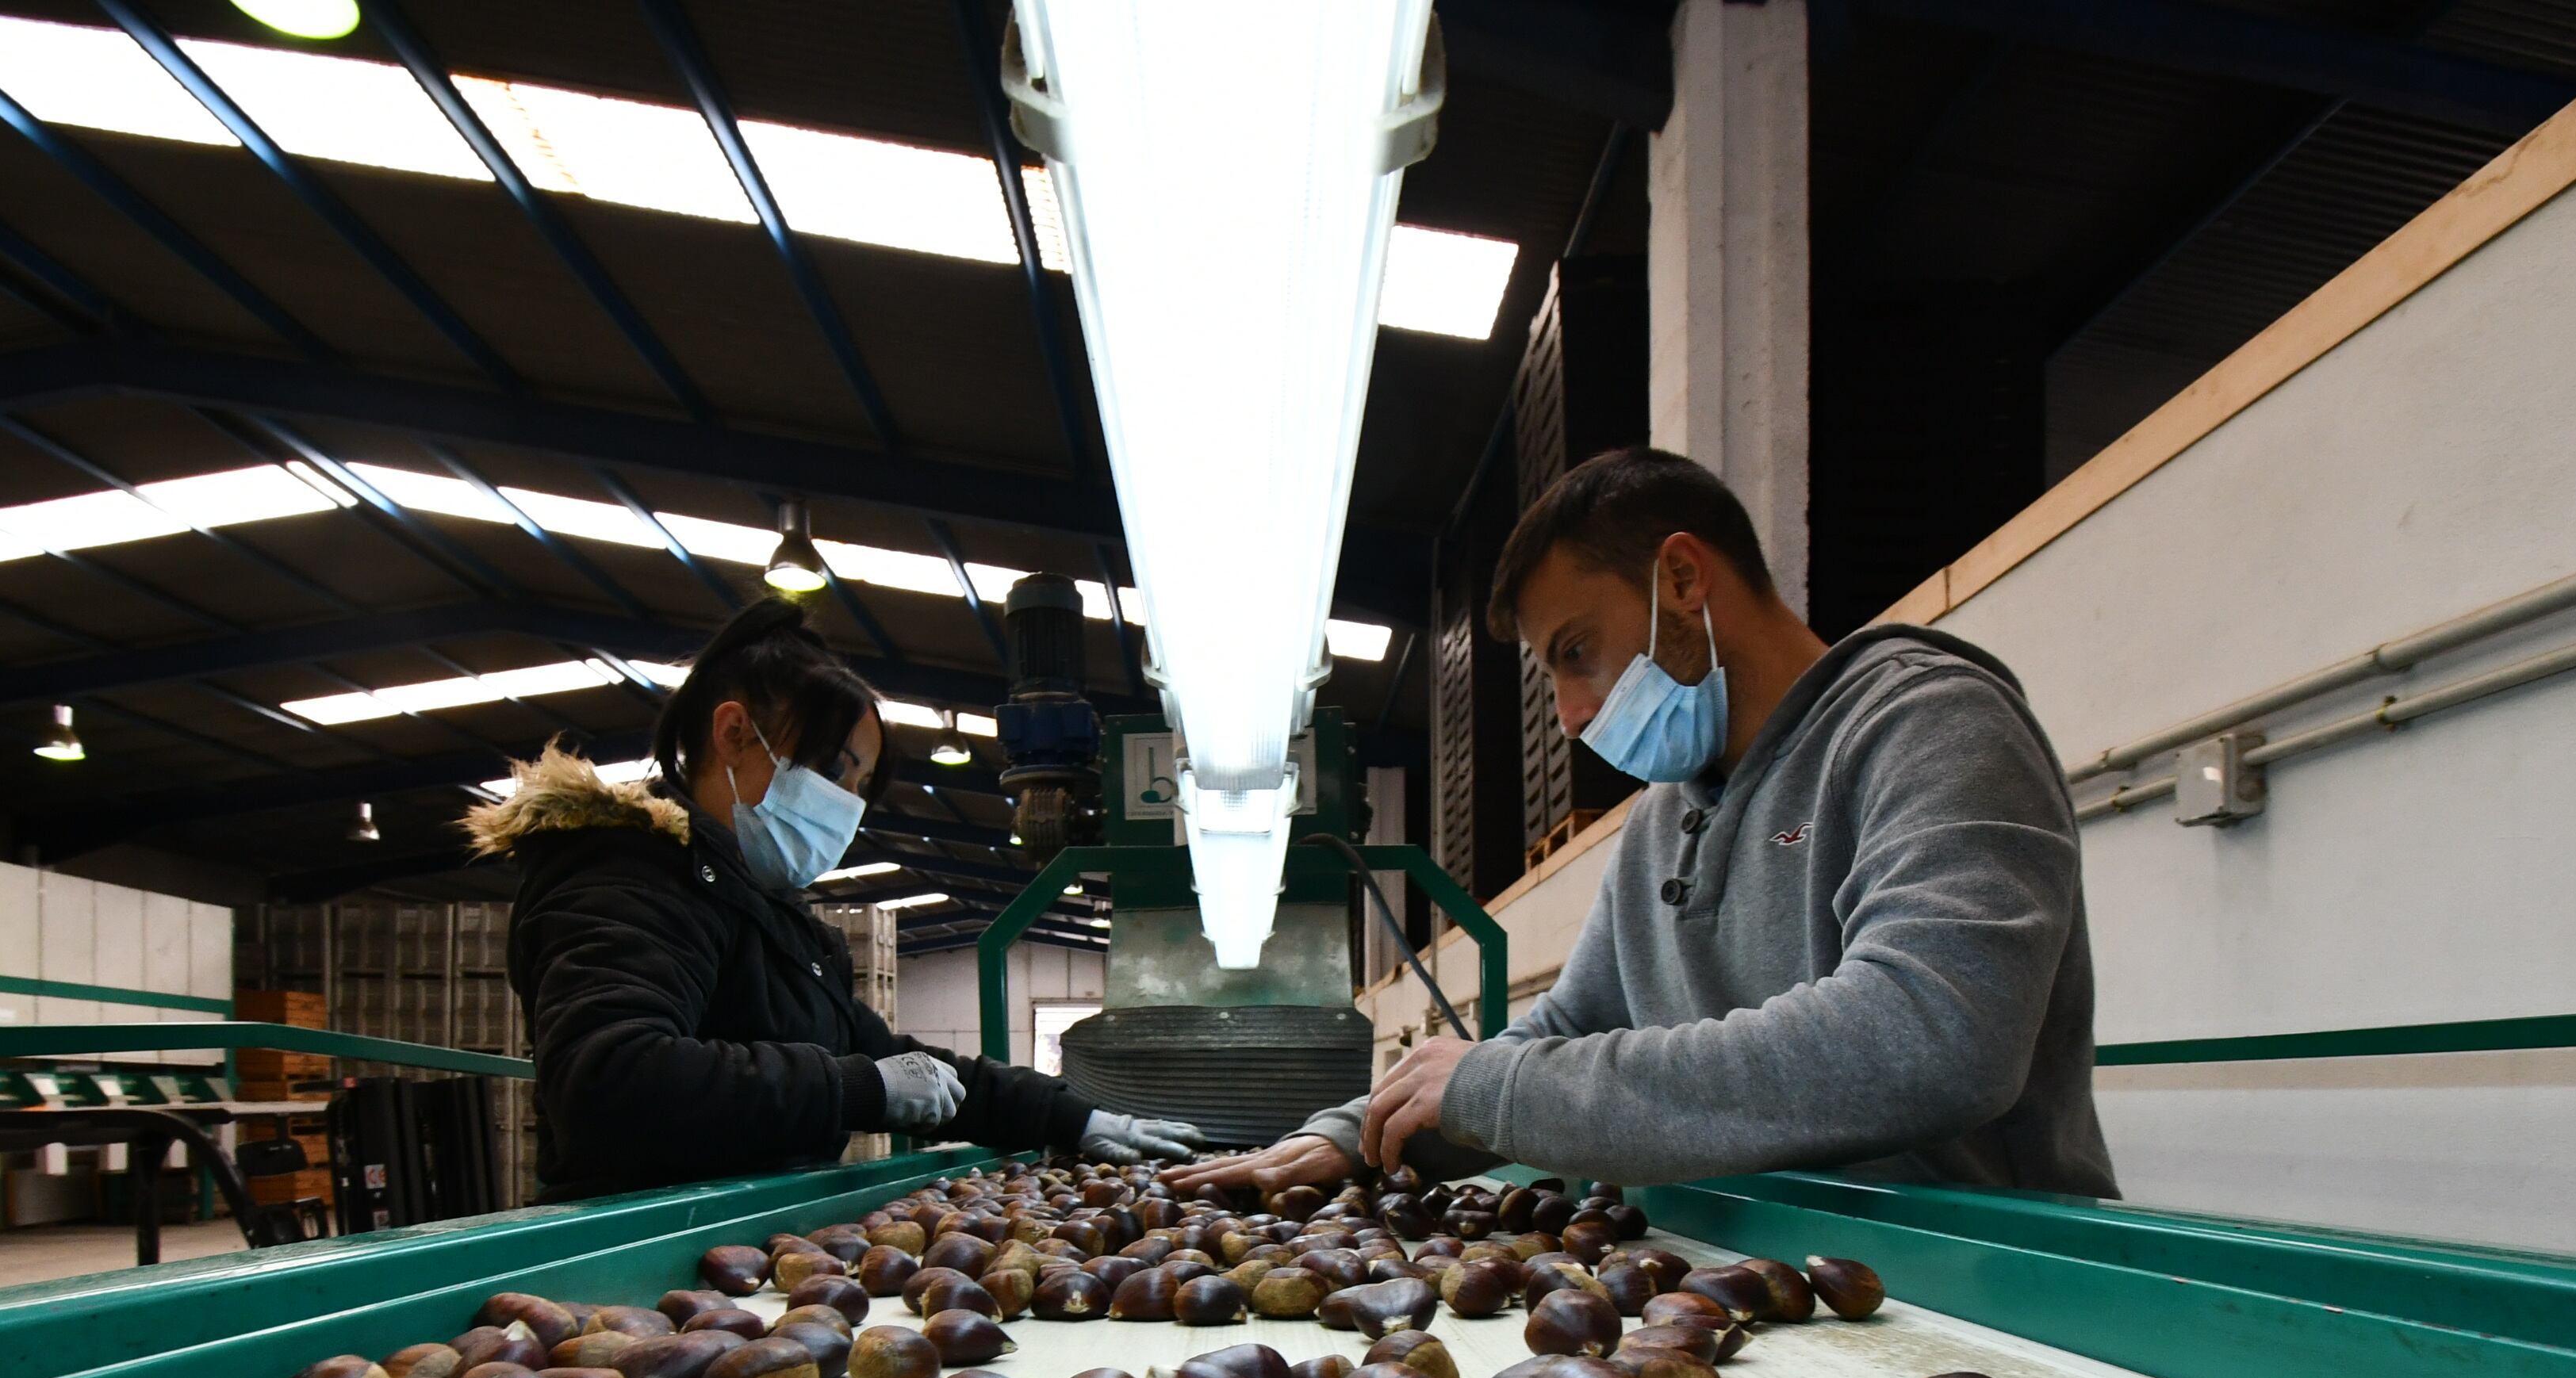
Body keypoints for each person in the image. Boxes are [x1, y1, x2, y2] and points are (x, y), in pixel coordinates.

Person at [1167, 446, 2114, 1200]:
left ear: (1683, 581)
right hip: (1761, 1274)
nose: (1573, 716)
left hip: (1980, 1292)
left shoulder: (1929, 726)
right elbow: (1575, 1026)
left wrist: (1499, 1091)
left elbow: (1937, 1033)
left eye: (1576, 652)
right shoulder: (1664, 821)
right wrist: (1359, 1132)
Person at [466, 598, 1202, 1197]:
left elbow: (893, 1060)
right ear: (732, 732)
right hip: (639, 1246)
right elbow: (608, 1082)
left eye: (858, 789)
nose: (845, 807)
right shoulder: (624, 879)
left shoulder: (777, 923)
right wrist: (853, 1089)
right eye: (834, 771)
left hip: (753, 1235)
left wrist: (1073, 1118)